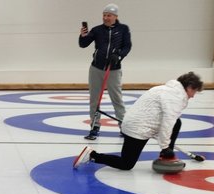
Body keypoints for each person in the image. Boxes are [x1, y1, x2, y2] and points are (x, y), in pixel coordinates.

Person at [74, 72, 203, 171]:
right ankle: (92, 155)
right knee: (126, 164)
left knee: (177, 122)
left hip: (136, 124)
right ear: (190, 87)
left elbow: (167, 121)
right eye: (195, 91)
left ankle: (165, 154)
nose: (193, 95)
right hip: (137, 129)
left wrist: (165, 145)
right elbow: (167, 122)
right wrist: (165, 147)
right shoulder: (175, 97)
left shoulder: (166, 89)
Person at [79, 3, 131, 140]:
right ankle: (95, 126)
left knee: (117, 98)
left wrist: (119, 56)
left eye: (109, 15)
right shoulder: (97, 30)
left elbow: (127, 46)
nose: (106, 18)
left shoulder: (123, 29)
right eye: (104, 15)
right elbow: (83, 45)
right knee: (94, 99)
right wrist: (82, 36)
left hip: (113, 70)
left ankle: (123, 126)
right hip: (96, 68)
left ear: (115, 16)